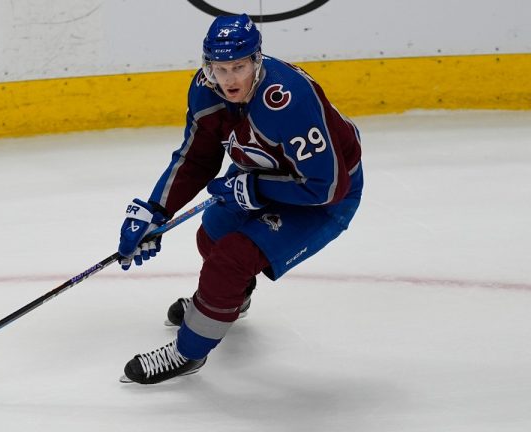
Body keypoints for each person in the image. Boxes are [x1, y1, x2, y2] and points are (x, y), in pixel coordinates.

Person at [117, 14, 363, 384]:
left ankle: (188, 352)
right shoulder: (205, 90)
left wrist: (256, 189)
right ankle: (230, 300)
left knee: (231, 259)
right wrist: (156, 210)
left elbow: (327, 186)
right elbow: (196, 158)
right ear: (208, 66)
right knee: (211, 234)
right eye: (220, 69)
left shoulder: (286, 100)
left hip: (322, 196)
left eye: (239, 67)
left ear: (256, 61)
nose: (229, 79)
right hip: (261, 173)